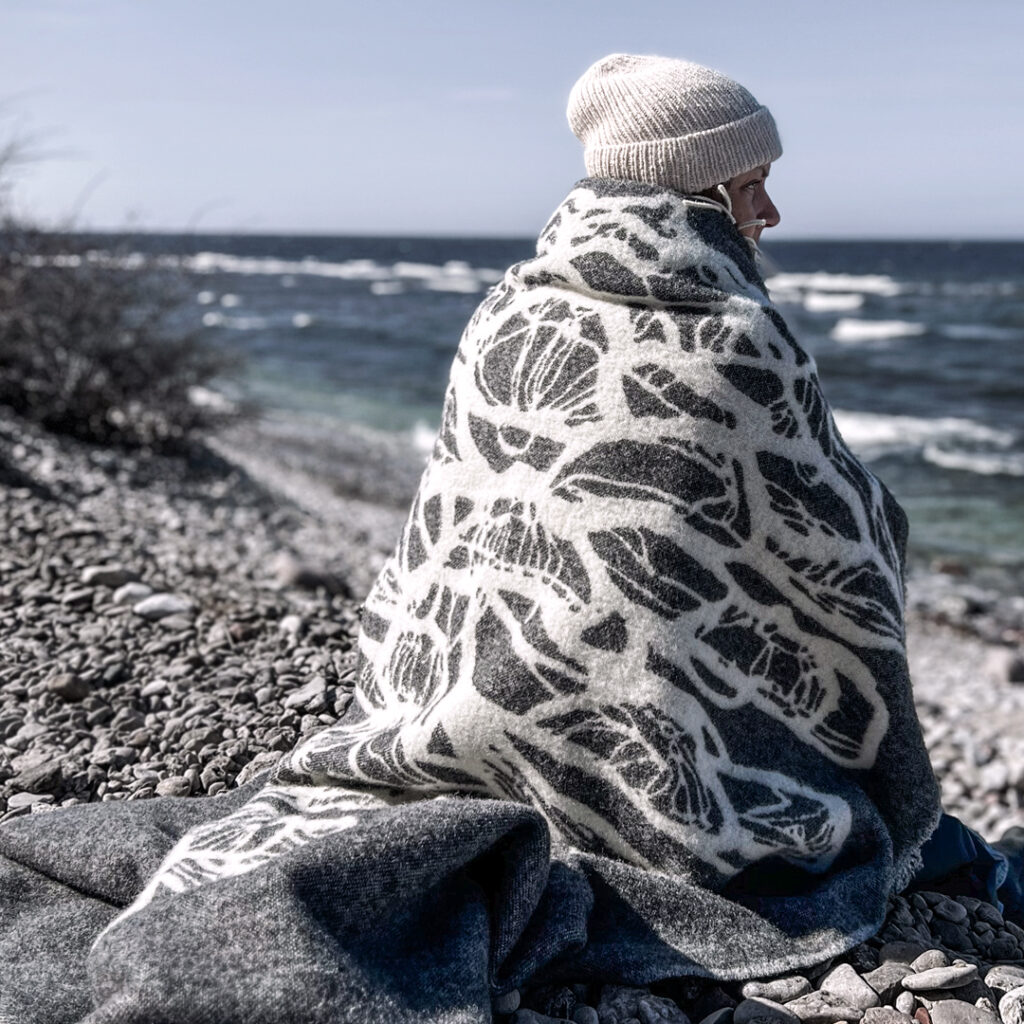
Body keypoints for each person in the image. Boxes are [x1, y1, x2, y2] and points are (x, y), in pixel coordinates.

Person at [1, 52, 1020, 1024]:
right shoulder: (733, 333)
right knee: (870, 819)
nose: (769, 211)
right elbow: (831, 546)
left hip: (472, 708)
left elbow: (448, 538)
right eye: (752, 182)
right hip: (664, 766)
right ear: (698, 190)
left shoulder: (509, 309)